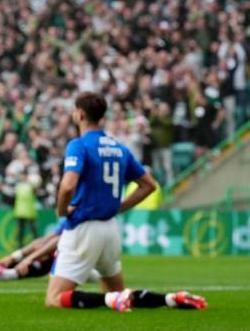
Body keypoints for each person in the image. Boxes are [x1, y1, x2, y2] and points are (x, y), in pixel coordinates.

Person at [45, 92, 206, 312]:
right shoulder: (118, 148)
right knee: (120, 294)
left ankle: (108, 301)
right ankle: (171, 299)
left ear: (80, 114)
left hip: (83, 228)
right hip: (110, 229)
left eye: (74, 110)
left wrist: (62, 209)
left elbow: (67, 186)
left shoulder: (78, 145)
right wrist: (118, 207)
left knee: (54, 298)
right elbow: (149, 185)